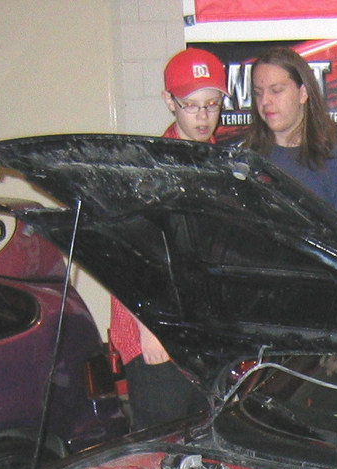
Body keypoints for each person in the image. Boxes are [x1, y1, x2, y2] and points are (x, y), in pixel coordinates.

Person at [109, 47, 228, 429]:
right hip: (154, 331)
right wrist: (151, 328)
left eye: (212, 104)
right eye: (191, 105)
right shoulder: (147, 168)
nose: (203, 117)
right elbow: (131, 255)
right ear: (169, 102)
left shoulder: (222, 166)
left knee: (207, 447)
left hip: (202, 332)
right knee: (165, 449)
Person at [242, 48, 337, 224]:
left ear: (303, 93)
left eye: (276, 90)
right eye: (258, 93)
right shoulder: (245, 160)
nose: (265, 101)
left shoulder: (335, 160)